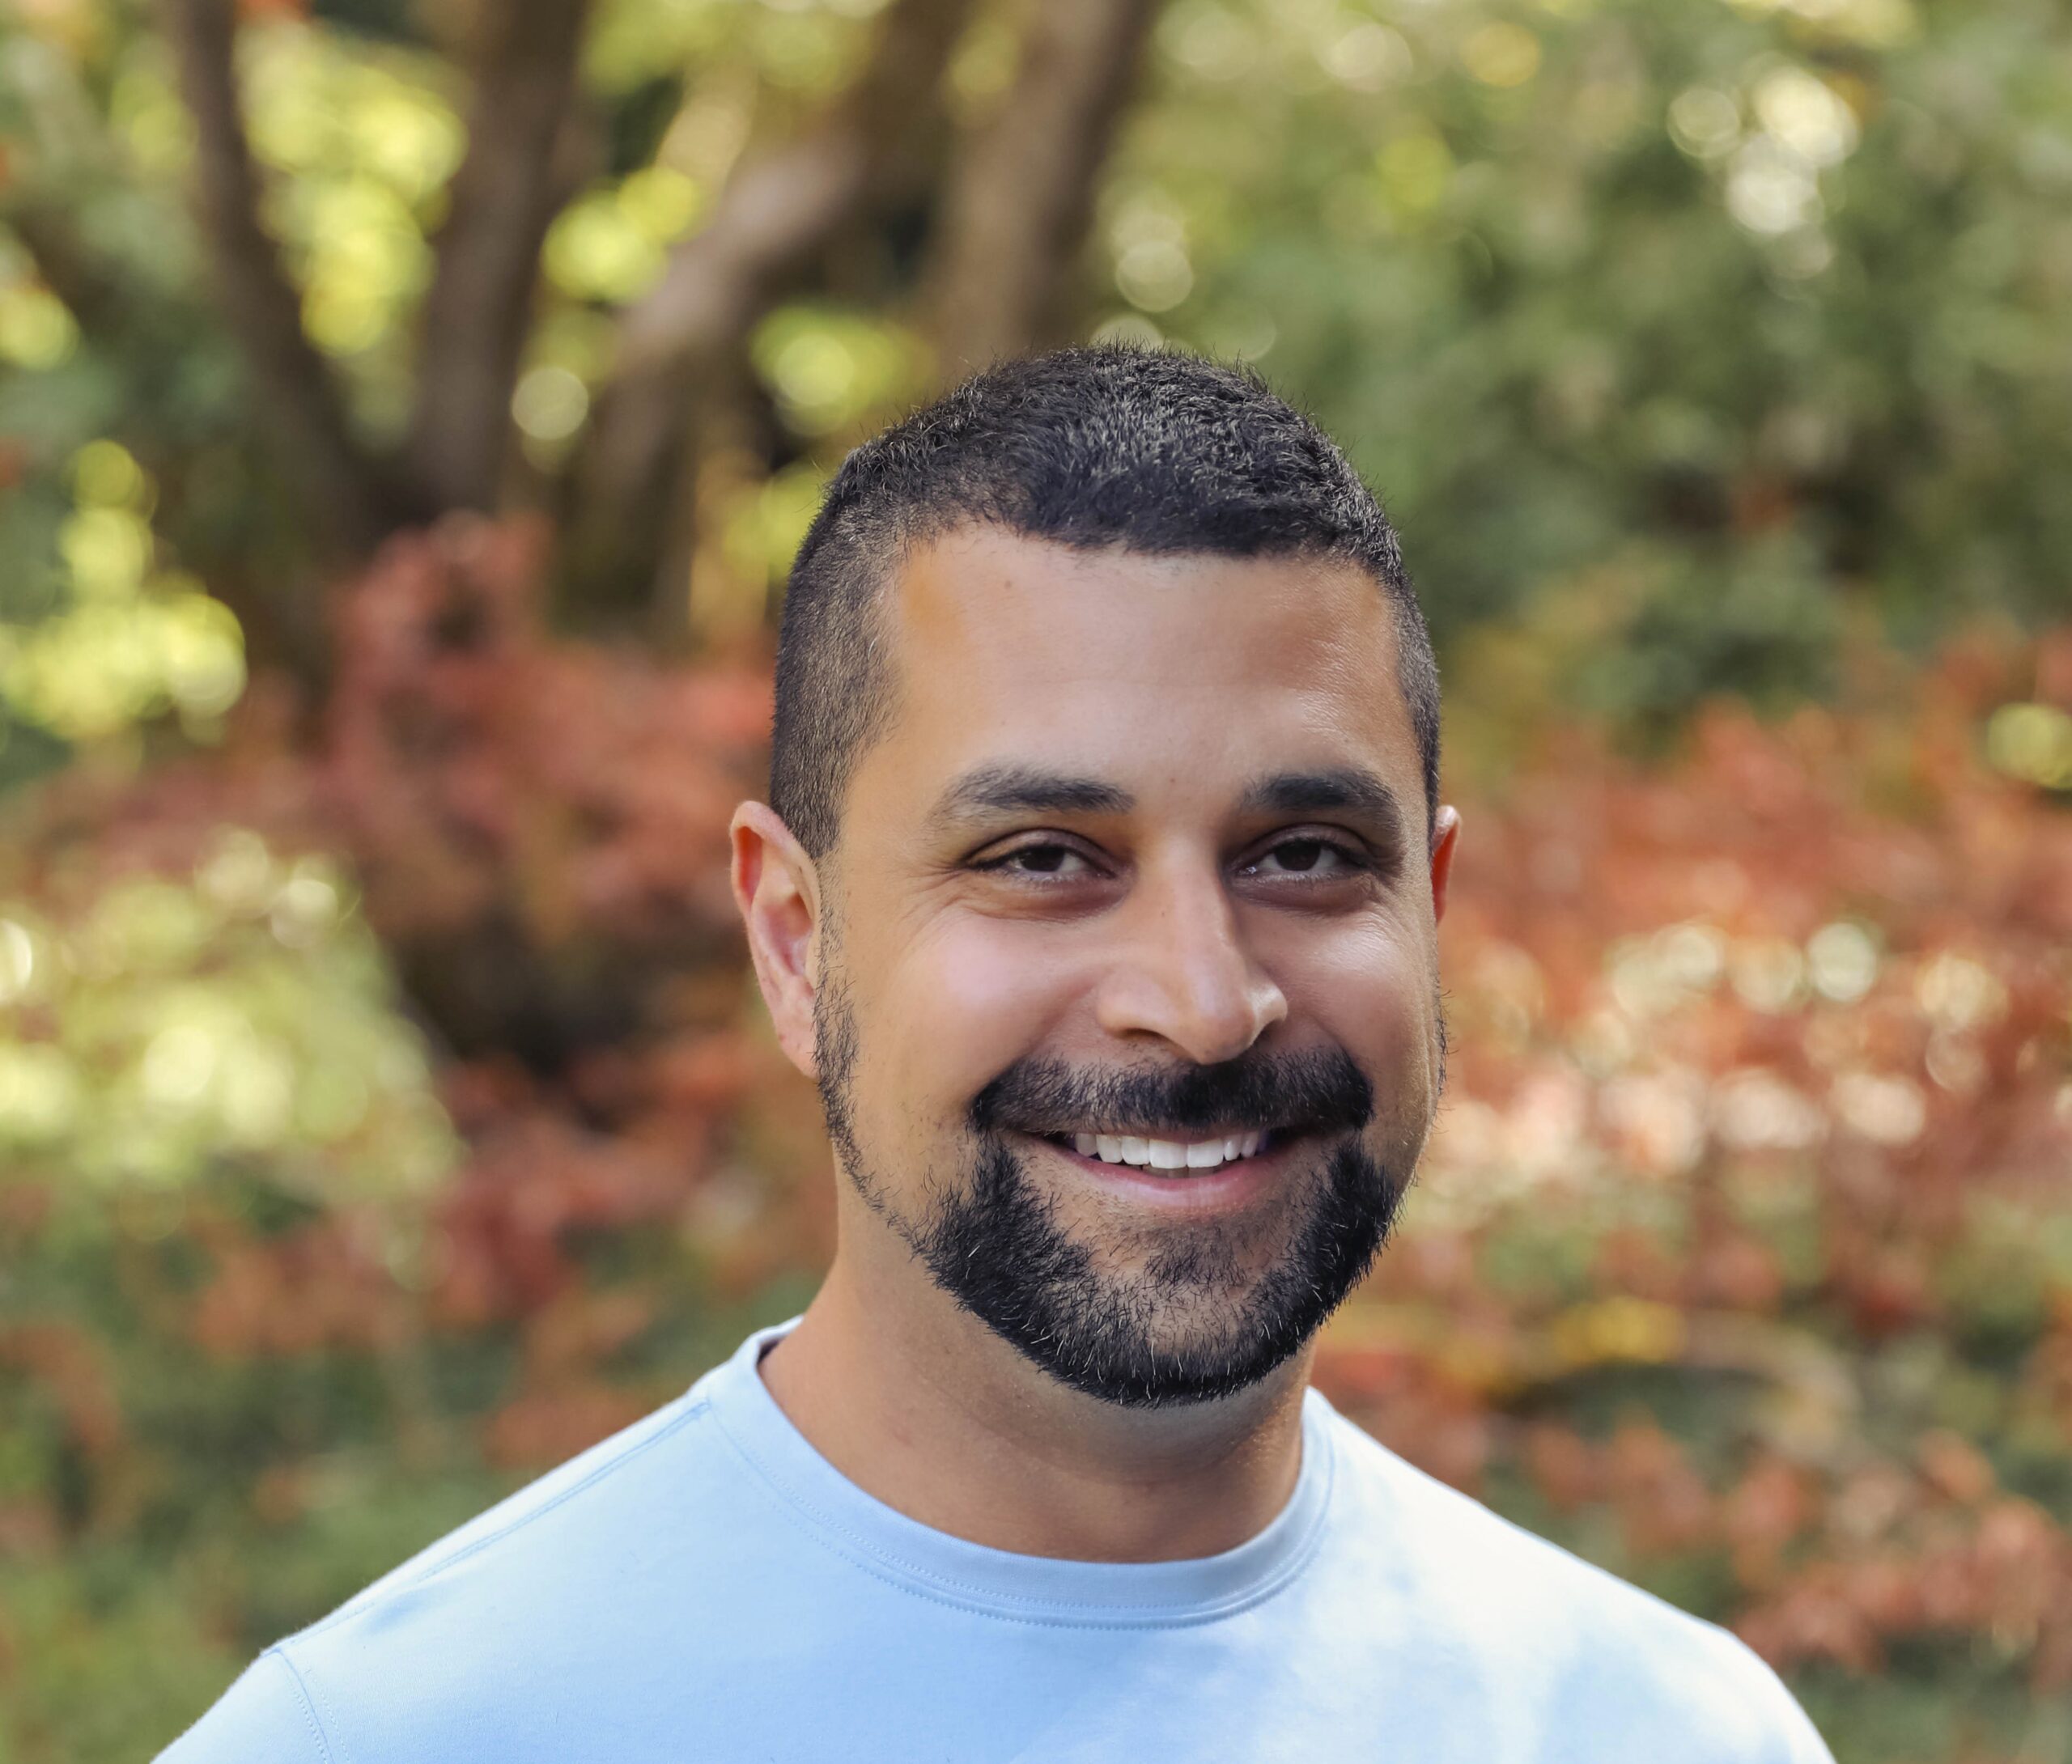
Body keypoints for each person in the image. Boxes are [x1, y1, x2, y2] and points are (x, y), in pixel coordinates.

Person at [160, 347, 1833, 1762]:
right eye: (1040, 856)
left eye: (1305, 853)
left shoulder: (1662, 1730)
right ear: (794, 939)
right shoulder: (391, 1734)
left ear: (1431, 904)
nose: (1199, 998)